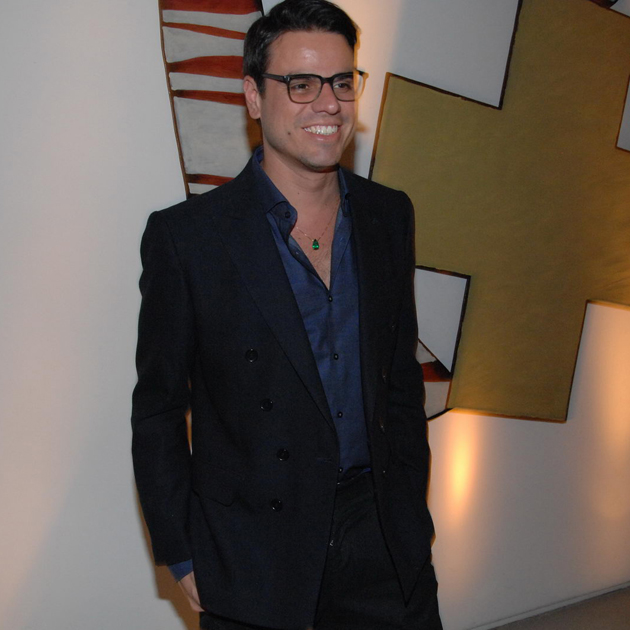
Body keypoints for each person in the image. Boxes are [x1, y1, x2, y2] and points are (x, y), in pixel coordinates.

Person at [132, 1, 442, 628]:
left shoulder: (388, 215)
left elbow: (399, 381)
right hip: (254, 551)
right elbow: (159, 409)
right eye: (301, 83)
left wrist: (411, 507)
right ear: (254, 95)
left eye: (342, 81)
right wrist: (183, 552)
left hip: (382, 539)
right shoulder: (189, 238)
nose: (328, 103)